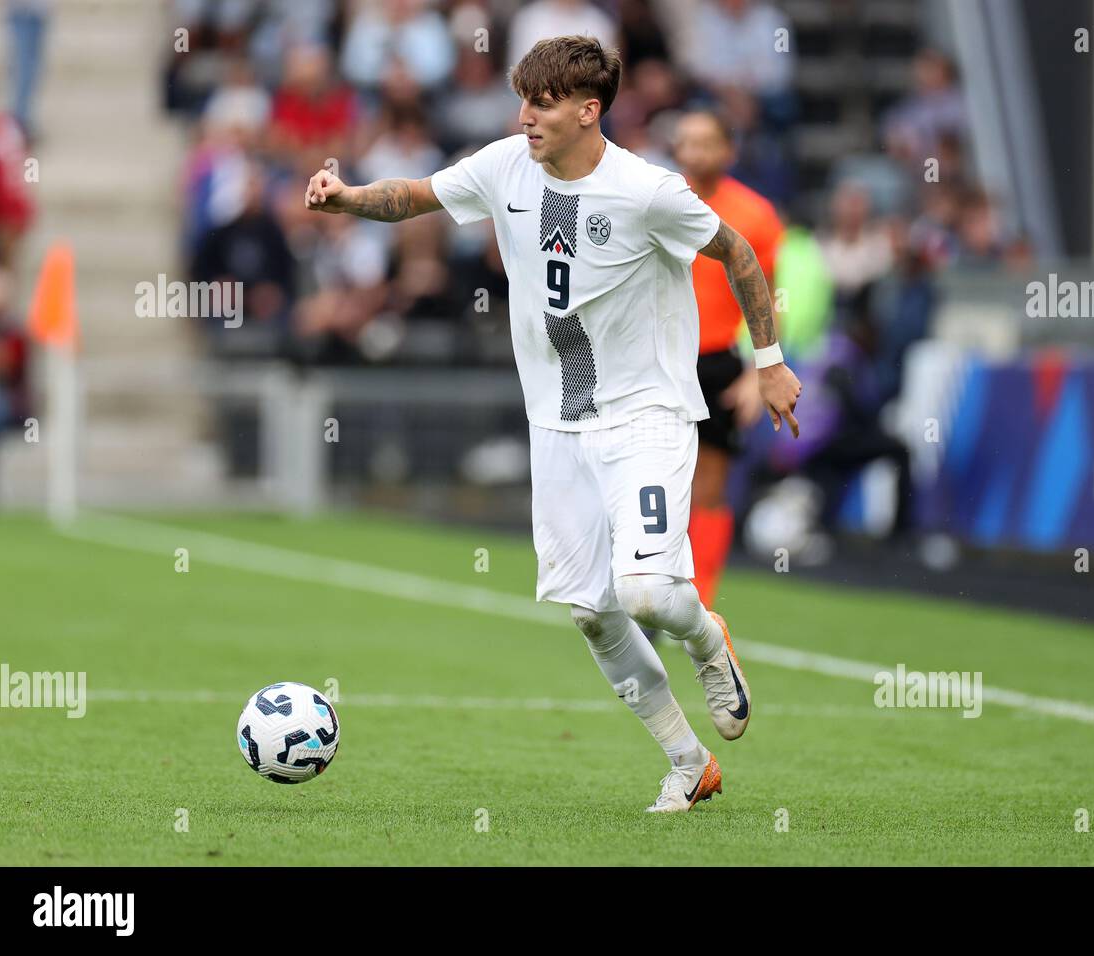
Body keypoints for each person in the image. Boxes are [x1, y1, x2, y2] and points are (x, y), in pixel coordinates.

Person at [304, 36, 802, 813]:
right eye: (524, 100)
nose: (527, 116)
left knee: (643, 591)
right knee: (591, 612)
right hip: (559, 424)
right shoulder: (506, 166)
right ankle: (686, 760)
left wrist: (768, 361)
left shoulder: (647, 190)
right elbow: (417, 195)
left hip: (646, 415)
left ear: (587, 110)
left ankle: (709, 640)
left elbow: (736, 250)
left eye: (542, 103)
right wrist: (348, 196)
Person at [671, 108, 783, 611]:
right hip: (659, 359)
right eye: (686, 142)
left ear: (727, 151)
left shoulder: (756, 215)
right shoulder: (660, 201)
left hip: (717, 360)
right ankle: (655, 588)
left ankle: (699, 600)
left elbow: (767, 298)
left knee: (709, 487)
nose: (695, 153)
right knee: (657, 481)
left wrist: (759, 370)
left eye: (705, 143)